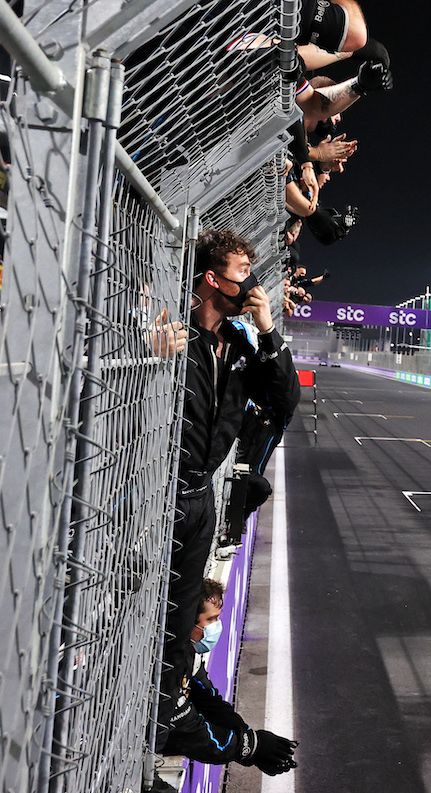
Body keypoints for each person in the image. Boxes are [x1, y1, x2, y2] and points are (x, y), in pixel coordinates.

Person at [157, 230, 300, 754]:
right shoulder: (171, 330)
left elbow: (285, 400)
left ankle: (163, 725)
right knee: (146, 606)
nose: (252, 281)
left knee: (179, 620)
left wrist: (267, 331)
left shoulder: (241, 342)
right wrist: (146, 350)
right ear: (212, 278)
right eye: (243, 271)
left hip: (201, 497)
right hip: (158, 495)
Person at [160, 580, 298, 775]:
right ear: (187, 619)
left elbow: (210, 701)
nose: (216, 626)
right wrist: (249, 747)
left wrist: (248, 738)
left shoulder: (188, 653)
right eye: (210, 619)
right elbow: (191, 732)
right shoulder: (164, 663)